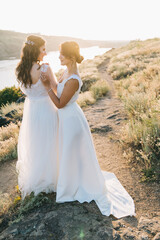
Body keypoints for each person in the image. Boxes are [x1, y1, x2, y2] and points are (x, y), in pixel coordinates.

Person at [41, 41, 136, 219]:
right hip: (67, 119)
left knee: (71, 152)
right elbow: (58, 89)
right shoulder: (66, 72)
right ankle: (71, 181)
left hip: (71, 120)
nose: (59, 56)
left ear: (70, 57)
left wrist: (47, 88)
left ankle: (75, 185)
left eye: (62, 54)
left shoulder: (74, 79)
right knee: (69, 153)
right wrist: (49, 78)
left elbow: (60, 104)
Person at [16, 35, 58, 199]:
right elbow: (55, 90)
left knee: (36, 143)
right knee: (50, 141)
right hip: (46, 108)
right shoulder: (45, 69)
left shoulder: (20, 70)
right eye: (43, 49)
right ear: (35, 50)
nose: (45, 53)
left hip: (31, 111)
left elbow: (26, 91)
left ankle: (38, 178)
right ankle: (53, 177)